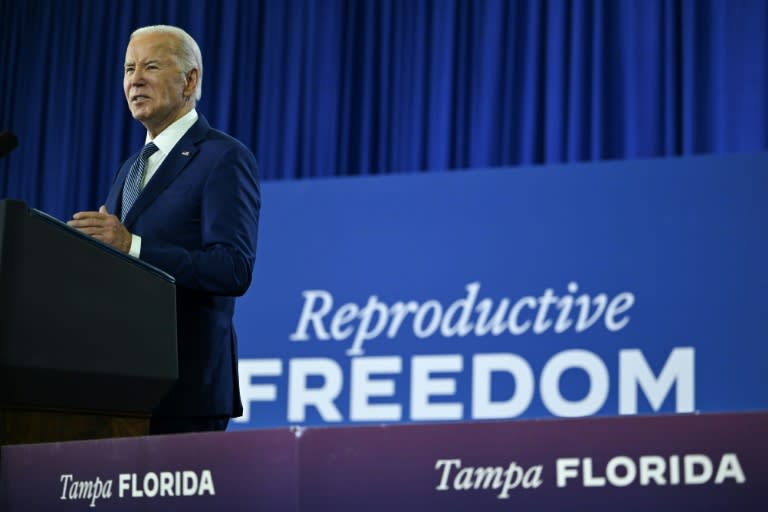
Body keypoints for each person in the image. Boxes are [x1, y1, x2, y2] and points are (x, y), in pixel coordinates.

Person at [68, 25, 260, 434]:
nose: (134, 79)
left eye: (151, 66)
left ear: (189, 80)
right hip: (121, 384)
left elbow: (233, 268)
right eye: (128, 68)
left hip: (186, 388)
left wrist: (131, 244)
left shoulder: (223, 158)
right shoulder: (130, 168)